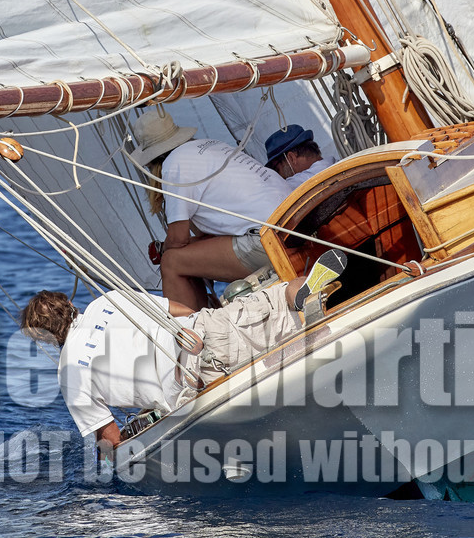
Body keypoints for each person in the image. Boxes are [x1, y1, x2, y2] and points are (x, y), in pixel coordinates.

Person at [20, 252, 348, 449]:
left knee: (265, 373)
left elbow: (111, 438)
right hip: (203, 326)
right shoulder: (106, 301)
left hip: (193, 377)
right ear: (69, 304)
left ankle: (304, 352)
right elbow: (175, 309)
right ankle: (300, 295)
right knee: (272, 301)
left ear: (46, 337)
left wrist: (112, 463)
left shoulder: (68, 372)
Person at [128, 109, 292, 310]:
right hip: (294, 227)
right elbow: (211, 234)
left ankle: (190, 335)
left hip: (267, 241)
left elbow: (178, 240)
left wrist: (163, 250)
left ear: (153, 161)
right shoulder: (213, 146)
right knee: (183, 256)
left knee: (171, 261)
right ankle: (204, 317)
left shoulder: (174, 164)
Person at [263, 124, 335, 189]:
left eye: (276, 169)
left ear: (291, 157)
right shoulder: (336, 163)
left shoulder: (293, 186)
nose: (278, 176)